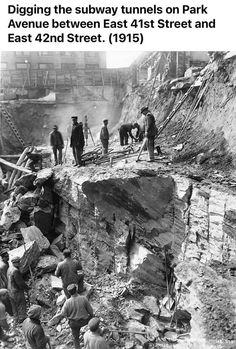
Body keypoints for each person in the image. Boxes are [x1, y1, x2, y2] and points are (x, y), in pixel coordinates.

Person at [49, 284, 93, 349]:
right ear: (76, 290)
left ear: (69, 292)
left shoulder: (67, 302)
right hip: (85, 321)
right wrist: (92, 317)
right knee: (92, 329)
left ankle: (77, 347)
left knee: (75, 338)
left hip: (74, 323)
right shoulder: (83, 298)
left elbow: (63, 314)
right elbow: (90, 311)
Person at [7, 256, 29, 323]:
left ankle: (16, 318)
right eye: (19, 262)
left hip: (10, 290)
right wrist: (27, 287)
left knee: (14, 306)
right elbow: (20, 283)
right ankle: (22, 319)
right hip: (16, 291)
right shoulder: (15, 271)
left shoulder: (9, 269)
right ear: (15, 262)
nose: (20, 263)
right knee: (21, 304)